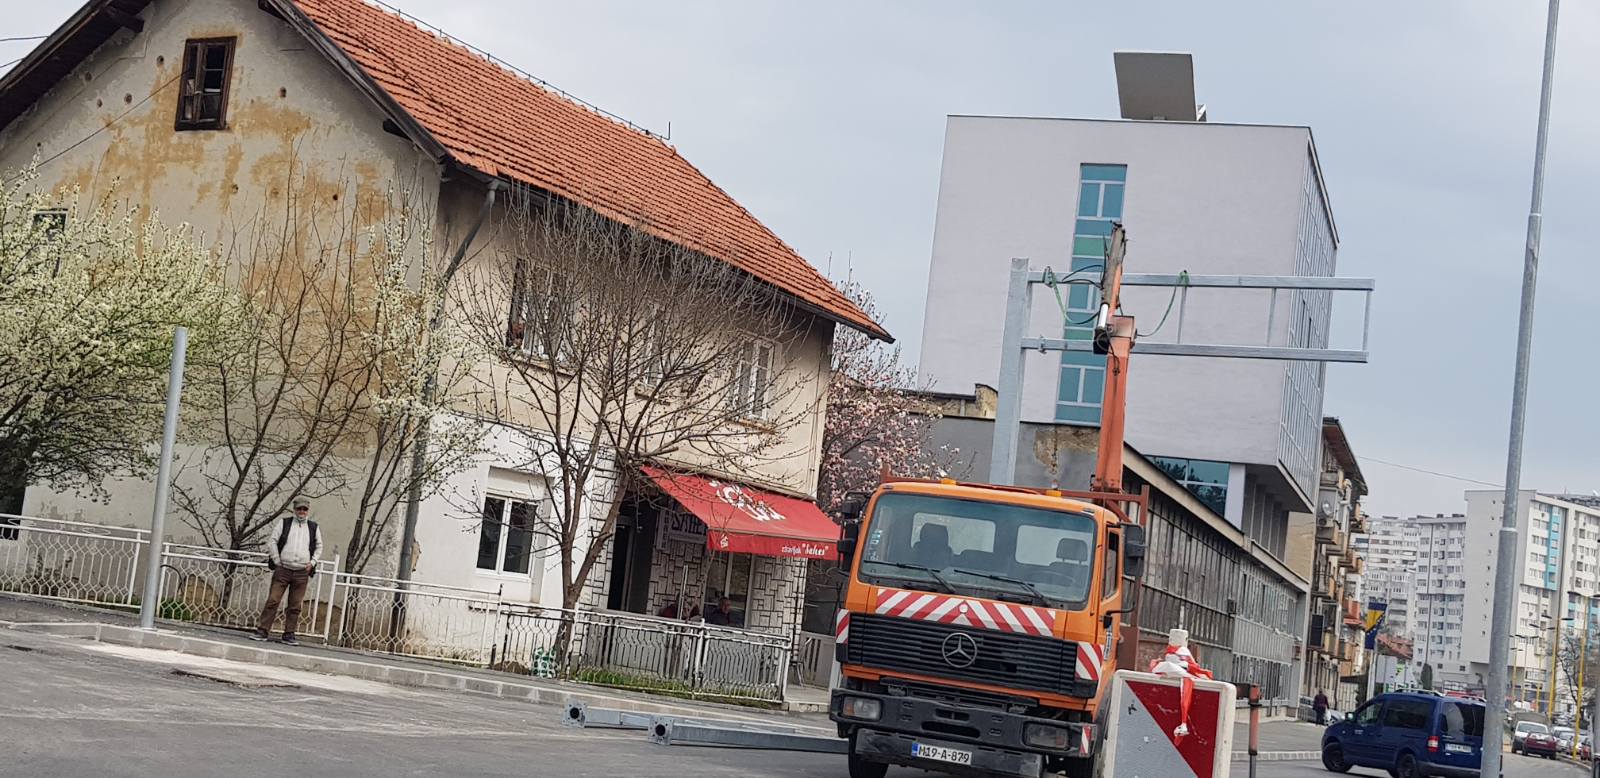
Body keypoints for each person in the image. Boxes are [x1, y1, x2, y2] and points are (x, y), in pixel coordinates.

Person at [253, 497, 323, 645]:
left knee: (295, 604)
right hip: (283, 569)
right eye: (299, 509)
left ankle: (289, 634)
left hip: (301, 571)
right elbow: (272, 541)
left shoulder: (313, 527)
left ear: (307, 511)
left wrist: (312, 562)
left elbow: (319, 546)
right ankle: (262, 630)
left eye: (304, 509)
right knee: (273, 600)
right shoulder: (284, 523)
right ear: (294, 509)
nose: (302, 512)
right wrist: (277, 560)